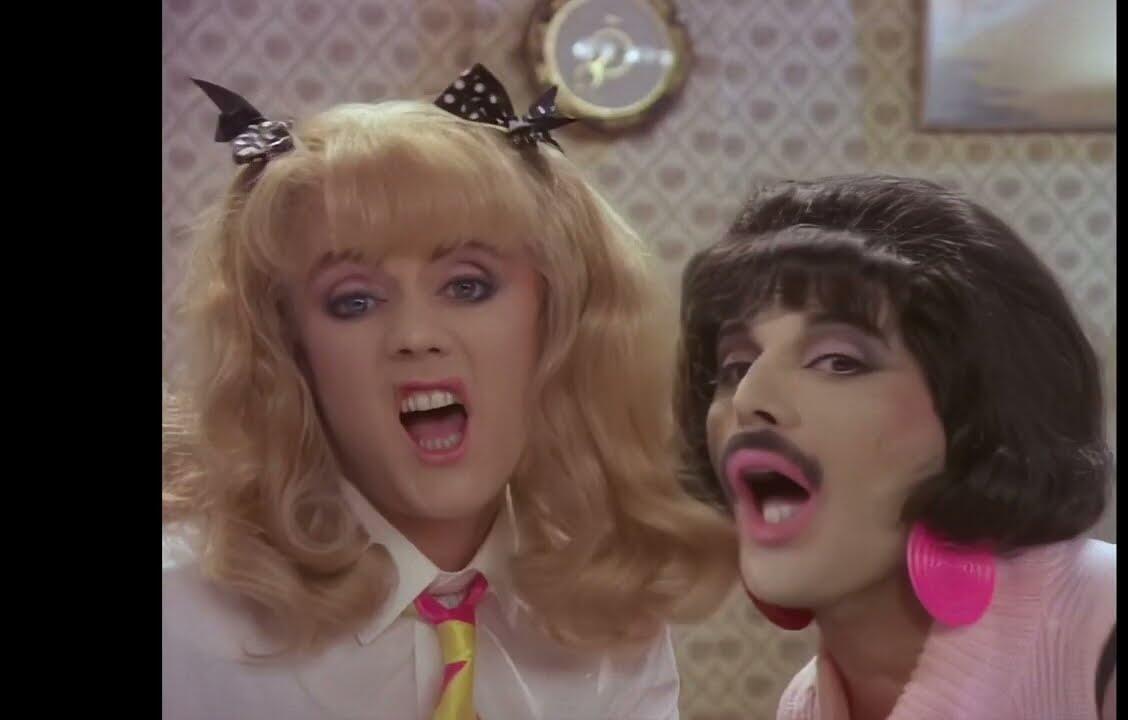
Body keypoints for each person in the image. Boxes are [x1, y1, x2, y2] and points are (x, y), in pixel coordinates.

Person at [162, 64, 734, 720]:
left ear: (557, 317)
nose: (415, 335)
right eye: (354, 301)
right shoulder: (179, 620)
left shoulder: (610, 619)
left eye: (467, 286)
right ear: (290, 347)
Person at [675, 175, 1116, 719]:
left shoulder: (1103, 625)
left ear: (975, 412)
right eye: (735, 366)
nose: (748, 398)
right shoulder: (804, 706)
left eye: (838, 362)